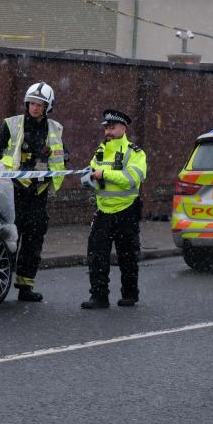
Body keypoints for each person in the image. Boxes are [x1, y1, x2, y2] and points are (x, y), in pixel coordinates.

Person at [0, 82, 68, 302]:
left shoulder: (55, 129)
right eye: (31, 103)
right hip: (14, 192)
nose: (34, 107)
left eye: (40, 104)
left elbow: (63, 155)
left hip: (39, 194)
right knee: (9, 239)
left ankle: (25, 287)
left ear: (48, 107)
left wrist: (48, 166)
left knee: (33, 242)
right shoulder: (12, 125)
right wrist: (16, 169)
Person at [80, 109, 147, 309]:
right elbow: (93, 172)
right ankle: (99, 297)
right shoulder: (100, 151)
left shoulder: (135, 152)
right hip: (103, 210)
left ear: (123, 128)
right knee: (96, 255)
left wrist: (104, 174)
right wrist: (88, 178)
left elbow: (132, 179)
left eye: (112, 127)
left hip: (126, 211)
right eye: (106, 127)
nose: (108, 131)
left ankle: (129, 294)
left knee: (127, 256)